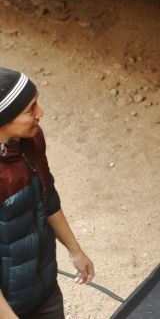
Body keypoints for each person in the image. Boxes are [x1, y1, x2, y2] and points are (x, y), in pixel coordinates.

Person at [0, 67, 94, 319]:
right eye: (30, 109)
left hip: (43, 290)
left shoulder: (31, 140)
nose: (40, 113)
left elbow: (48, 197)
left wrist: (75, 250)